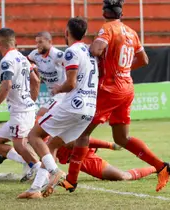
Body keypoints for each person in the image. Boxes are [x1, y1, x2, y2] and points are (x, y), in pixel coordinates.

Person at [61, 0, 169, 193]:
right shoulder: (131, 32)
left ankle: (71, 180)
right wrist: (123, 69)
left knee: (82, 133)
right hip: (127, 87)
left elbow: (96, 50)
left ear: (104, 12)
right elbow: (144, 59)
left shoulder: (107, 29)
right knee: (122, 138)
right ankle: (162, 167)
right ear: (122, 13)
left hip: (110, 89)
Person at [17, 17, 99, 199]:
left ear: (66, 33)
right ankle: (35, 189)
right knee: (51, 145)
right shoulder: (90, 51)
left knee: (33, 135)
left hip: (72, 104)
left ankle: (55, 172)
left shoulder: (70, 52)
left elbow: (70, 83)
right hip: (89, 108)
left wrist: (58, 88)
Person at [0, 28, 42, 182]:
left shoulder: (6, 60)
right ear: (15, 42)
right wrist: (31, 100)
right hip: (24, 109)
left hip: (21, 111)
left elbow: (6, 85)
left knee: (20, 145)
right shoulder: (23, 58)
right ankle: (29, 164)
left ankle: (41, 171)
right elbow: (36, 80)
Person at [55, 141, 156, 181]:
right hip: (73, 156)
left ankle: (157, 168)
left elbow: (83, 139)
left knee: (123, 176)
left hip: (84, 156)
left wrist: (110, 145)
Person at [27, 31, 65, 118]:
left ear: (50, 42)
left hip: (63, 94)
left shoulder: (58, 55)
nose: (37, 45)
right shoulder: (34, 54)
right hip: (52, 94)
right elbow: (26, 61)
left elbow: (75, 66)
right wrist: (33, 68)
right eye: (36, 42)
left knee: (41, 114)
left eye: (40, 42)